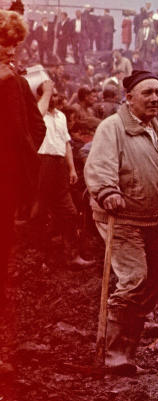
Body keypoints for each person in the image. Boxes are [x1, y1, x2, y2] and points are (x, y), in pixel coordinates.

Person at [83, 71, 158, 375]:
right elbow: (100, 164)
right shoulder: (113, 127)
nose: (155, 98)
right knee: (134, 279)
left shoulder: (154, 129)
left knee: (150, 284)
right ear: (129, 98)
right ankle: (113, 355)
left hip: (150, 220)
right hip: (121, 218)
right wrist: (107, 191)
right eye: (147, 93)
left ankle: (127, 354)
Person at [0, 12, 45, 364]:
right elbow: (28, 130)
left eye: (14, 45)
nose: (11, 52)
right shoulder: (11, 81)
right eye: (5, 44)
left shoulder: (14, 80)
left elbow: (32, 127)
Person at [31, 80, 89, 265]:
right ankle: (38, 257)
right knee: (39, 211)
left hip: (59, 165)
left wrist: (71, 169)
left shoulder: (61, 117)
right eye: (50, 94)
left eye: (56, 94)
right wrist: (45, 94)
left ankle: (72, 255)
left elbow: (66, 144)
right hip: (41, 163)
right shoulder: (36, 113)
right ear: (41, 96)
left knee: (69, 212)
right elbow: (37, 116)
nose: (54, 98)